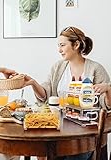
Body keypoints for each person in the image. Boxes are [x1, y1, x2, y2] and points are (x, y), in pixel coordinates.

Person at [23, 26, 111, 160]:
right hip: (59, 131)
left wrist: (108, 89)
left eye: (62, 45)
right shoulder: (58, 67)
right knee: (41, 151)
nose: (59, 50)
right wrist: (33, 83)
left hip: (86, 135)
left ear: (76, 45)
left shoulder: (95, 69)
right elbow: (46, 95)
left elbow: (107, 106)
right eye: (59, 45)